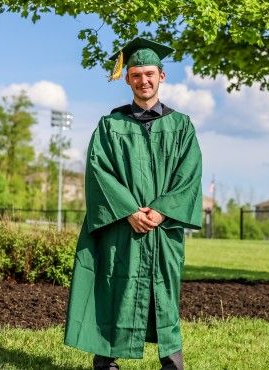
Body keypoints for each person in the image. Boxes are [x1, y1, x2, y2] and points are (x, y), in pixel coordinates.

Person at [64, 37, 202, 370]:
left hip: (161, 228)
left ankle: (172, 362)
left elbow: (189, 174)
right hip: (120, 228)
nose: (144, 81)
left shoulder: (180, 126)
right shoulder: (110, 126)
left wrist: (161, 209)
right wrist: (128, 210)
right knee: (113, 286)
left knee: (164, 294)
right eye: (137, 75)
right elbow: (99, 172)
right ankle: (106, 362)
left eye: (150, 74)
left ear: (162, 77)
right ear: (127, 79)